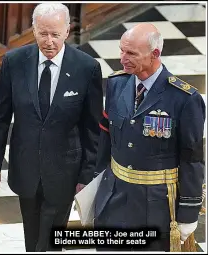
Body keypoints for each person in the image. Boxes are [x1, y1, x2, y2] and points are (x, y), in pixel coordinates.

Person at [0, 3, 103, 252]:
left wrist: (86, 176)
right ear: (33, 30)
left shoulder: (86, 67)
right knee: (32, 235)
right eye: (43, 33)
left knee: (49, 240)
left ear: (67, 31)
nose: (49, 41)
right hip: (25, 168)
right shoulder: (14, 62)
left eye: (55, 34)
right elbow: (0, 118)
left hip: (65, 172)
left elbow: (92, 129)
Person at [93, 23, 205, 251]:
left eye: (131, 53)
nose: (122, 59)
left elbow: (192, 159)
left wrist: (189, 212)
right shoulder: (116, 84)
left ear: (155, 54)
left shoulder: (184, 99)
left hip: (157, 206)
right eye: (121, 50)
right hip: (114, 196)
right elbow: (107, 138)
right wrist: (95, 185)